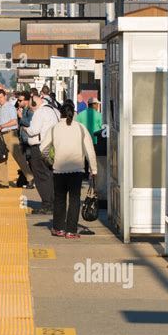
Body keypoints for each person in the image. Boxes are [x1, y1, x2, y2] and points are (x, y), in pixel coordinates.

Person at [40, 100, 97, 238]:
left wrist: (50, 161)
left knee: (59, 199)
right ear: (74, 113)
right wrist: (93, 169)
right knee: (74, 199)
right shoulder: (81, 128)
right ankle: (71, 230)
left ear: (61, 113)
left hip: (59, 169)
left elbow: (42, 149)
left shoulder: (54, 128)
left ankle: (58, 229)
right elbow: (89, 150)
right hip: (77, 170)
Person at [22, 94, 60, 213]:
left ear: (34, 104)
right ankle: (53, 202)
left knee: (41, 176)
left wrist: (25, 128)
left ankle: (47, 204)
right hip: (53, 147)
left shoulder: (40, 112)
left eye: (31, 107)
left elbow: (34, 131)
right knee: (50, 174)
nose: (32, 110)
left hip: (39, 148)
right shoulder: (55, 110)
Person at [0, 88, 29, 188]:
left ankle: (31, 179)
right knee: (1, 159)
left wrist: (1, 126)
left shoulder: (10, 107)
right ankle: (4, 183)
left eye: (0, 97)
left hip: (10, 134)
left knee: (19, 158)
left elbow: (14, 122)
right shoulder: (0, 108)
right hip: (2, 135)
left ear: (5, 96)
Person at [15, 91, 35, 188]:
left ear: (26, 101)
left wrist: (21, 117)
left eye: (20, 100)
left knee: (28, 160)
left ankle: (31, 181)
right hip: (24, 139)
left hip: (28, 140)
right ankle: (28, 180)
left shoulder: (30, 111)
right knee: (26, 160)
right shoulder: (23, 109)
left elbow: (30, 123)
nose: (18, 102)